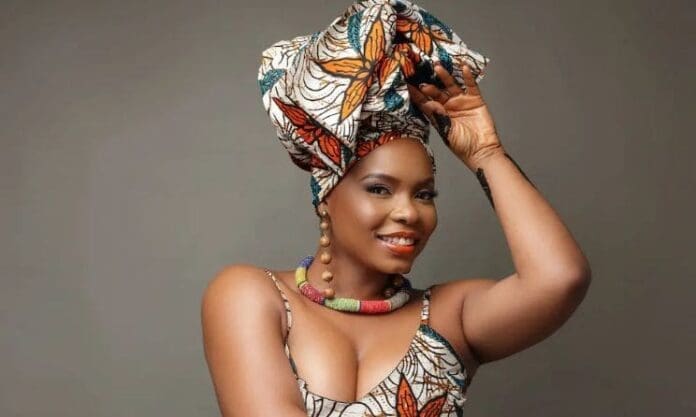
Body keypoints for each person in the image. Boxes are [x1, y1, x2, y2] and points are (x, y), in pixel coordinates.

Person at [201, 1, 591, 416]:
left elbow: (559, 278)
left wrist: (486, 152)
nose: (409, 212)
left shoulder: (448, 317)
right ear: (327, 194)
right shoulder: (253, 296)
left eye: (424, 195)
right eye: (380, 189)